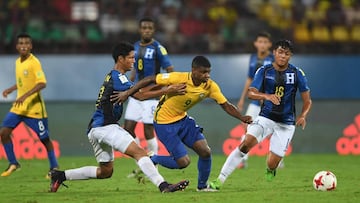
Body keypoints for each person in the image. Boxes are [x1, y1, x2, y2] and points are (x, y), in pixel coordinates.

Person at [48, 42, 189, 193]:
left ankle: (60, 176)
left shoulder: (115, 76)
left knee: (106, 171)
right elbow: (140, 96)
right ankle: (163, 186)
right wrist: (168, 90)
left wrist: (162, 87)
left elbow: (138, 90)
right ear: (121, 59)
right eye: (131, 58)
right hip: (106, 127)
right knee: (140, 153)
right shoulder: (119, 78)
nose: (134, 61)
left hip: (95, 129)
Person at [111, 55, 253, 192]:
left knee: (205, 152)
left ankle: (202, 187)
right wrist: (128, 92)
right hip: (164, 123)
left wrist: (241, 117)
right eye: (203, 72)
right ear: (194, 70)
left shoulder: (210, 86)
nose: (207, 75)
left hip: (183, 120)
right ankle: (151, 158)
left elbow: (225, 105)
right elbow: (150, 79)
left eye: (209, 72)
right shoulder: (178, 78)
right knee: (183, 162)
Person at [209, 39, 312, 190]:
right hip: (266, 118)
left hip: (286, 123)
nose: (283, 56)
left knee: (272, 163)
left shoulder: (297, 73)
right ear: (275, 53)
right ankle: (219, 180)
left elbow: (307, 100)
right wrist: (266, 96)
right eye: (281, 52)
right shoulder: (264, 71)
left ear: (290, 56)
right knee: (245, 144)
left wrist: (303, 115)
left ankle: (271, 168)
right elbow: (251, 92)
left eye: (287, 54)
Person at [0, 33, 59, 177]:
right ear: (17, 46)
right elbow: (23, 83)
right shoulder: (18, 62)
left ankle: (54, 168)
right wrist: (12, 89)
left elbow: (41, 83)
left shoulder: (34, 62)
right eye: (21, 43)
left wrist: (25, 95)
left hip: (35, 110)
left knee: (44, 139)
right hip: (19, 107)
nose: (23, 46)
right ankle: (13, 163)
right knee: (4, 133)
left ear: (31, 46)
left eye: (26, 43)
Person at [124, 17, 174, 155]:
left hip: (152, 94)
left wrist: (167, 89)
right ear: (140, 30)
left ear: (153, 30)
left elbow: (170, 69)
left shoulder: (158, 48)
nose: (146, 30)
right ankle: (142, 158)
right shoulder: (135, 46)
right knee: (128, 129)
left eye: (149, 28)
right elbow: (134, 66)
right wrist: (131, 78)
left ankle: (153, 163)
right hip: (136, 93)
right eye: (144, 28)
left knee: (148, 130)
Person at [236, 31, 275, 169]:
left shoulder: (275, 59)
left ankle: (277, 160)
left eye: (265, 42)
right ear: (256, 44)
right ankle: (242, 159)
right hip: (254, 101)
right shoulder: (253, 58)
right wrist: (242, 99)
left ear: (269, 44)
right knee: (247, 127)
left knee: (274, 129)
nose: (262, 45)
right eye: (260, 42)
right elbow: (249, 79)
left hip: (270, 101)